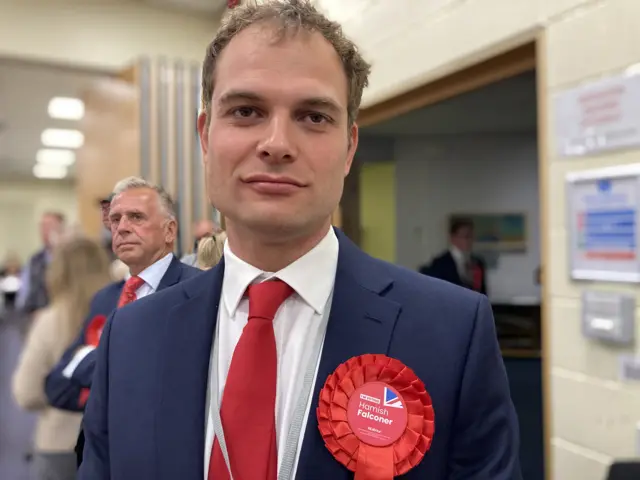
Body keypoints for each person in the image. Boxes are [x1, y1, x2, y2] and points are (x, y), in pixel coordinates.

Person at [79, 2, 521, 479]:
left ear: (349, 147)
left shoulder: (452, 333)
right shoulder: (131, 338)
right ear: (206, 136)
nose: (277, 143)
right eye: (246, 110)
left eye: (313, 117)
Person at [45, 176, 201, 466]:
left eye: (136, 217)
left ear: (170, 231)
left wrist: (95, 363)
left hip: (168, 459)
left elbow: (175, 384)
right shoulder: (105, 298)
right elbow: (56, 385)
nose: (122, 227)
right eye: (115, 219)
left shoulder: (197, 291)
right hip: (103, 457)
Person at [12, 236, 112, 480]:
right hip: (111, 441)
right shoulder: (122, 311)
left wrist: (57, 395)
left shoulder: (50, 320)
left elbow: (25, 392)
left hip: (59, 442)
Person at [419, 218, 488, 295]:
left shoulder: (478, 262)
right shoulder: (440, 263)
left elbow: (483, 292)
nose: (468, 240)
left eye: (471, 236)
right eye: (465, 236)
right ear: (453, 238)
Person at [16, 211, 66, 313]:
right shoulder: (34, 261)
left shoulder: (71, 259)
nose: (44, 230)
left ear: (61, 229)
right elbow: (23, 298)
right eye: (42, 226)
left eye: (49, 226)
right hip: (37, 317)